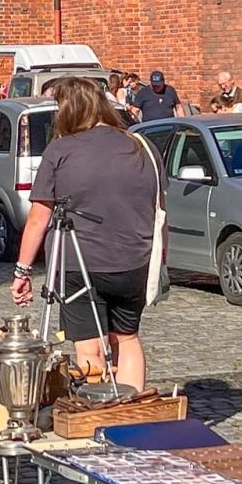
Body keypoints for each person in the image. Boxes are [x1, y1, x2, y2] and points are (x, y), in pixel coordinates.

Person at [11, 78, 162, 393]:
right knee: (128, 339)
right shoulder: (143, 146)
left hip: (79, 264)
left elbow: (39, 217)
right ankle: (130, 413)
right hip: (134, 261)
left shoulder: (61, 150)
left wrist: (23, 271)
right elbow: (159, 210)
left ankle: (99, 417)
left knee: (90, 349)